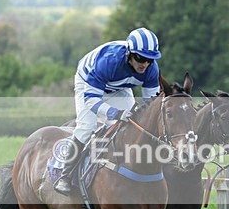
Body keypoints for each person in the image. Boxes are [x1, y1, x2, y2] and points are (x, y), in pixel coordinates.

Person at [52, 27, 162, 195]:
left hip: (119, 88)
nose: (144, 64)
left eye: (149, 59)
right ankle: (65, 175)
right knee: (87, 127)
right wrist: (116, 114)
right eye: (140, 58)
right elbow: (91, 100)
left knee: (134, 124)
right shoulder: (110, 61)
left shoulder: (151, 70)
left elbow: (151, 104)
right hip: (88, 84)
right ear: (129, 53)